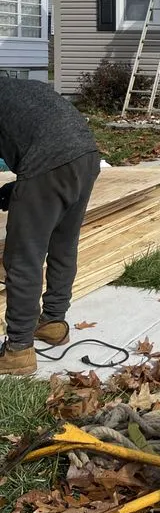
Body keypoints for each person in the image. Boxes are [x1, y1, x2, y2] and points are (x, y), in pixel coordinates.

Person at [0, 79, 100, 376]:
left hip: (48, 161)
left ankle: (18, 349)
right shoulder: (21, 89)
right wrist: (19, 191)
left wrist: (28, 190)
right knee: (63, 245)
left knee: (22, 257)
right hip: (86, 156)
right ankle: (54, 323)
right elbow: (32, 134)